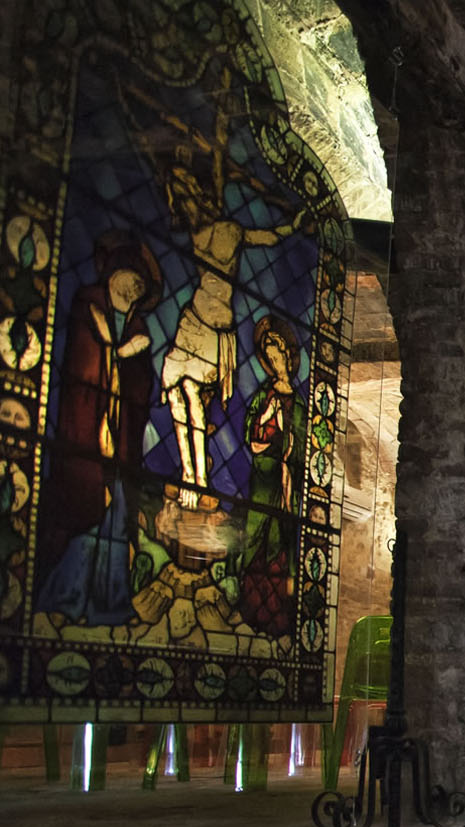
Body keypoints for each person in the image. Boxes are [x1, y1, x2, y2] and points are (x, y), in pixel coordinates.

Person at [158, 158, 305, 509]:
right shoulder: (194, 233)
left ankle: (201, 482)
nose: (185, 207)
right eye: (179, 201)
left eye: (186, 197)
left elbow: (267, 238)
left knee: (194, 403)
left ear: (199, 194)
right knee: (177, 397)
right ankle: (187, 476)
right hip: (190, 320)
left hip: (216, 329)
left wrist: (293, 227)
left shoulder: (231, 231)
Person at [35, 231, 162, 623]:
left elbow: (140, 391)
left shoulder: (137, 326)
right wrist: (122, 350)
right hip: (88, 431)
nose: (132, 290)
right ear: (111, 274)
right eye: (127, 281)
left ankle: (110, 603)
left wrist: (132, 356)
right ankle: (66, 599)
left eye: (139, 287)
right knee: (84, 509)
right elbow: (85, 363)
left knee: (117, 518)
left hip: (120, 444)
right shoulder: (89, 304)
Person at [232, 316, 302, 635]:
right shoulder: (264, 395)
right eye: (269, 357)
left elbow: (301, 446)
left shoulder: (300, 404)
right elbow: (252, 432)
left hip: (286, 482)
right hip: (263, 479)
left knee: (282, 545)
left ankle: (277, 616)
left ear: (288, 355)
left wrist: (288, 446)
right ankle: (249, 610)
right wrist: (269, 422)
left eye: (278, 355)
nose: (274, 362)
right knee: (256, 538)